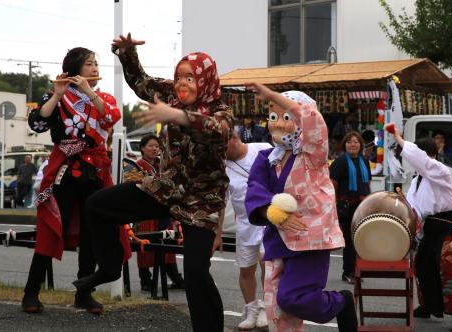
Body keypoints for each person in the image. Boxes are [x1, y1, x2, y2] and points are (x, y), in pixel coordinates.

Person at [72, 33, 233, 332]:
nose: (182, 84)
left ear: (206, 80)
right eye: (179, 77)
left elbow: (216, 130)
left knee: (197, 273)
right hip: (166, 187)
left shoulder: (222, 112)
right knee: (98, 205)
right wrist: (127, 53)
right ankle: (109, 267)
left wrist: (177, 114)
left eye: (190, 78)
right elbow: (141, 82)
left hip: (201, 202)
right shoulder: (171, 93)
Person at [22, 47, 129, 315]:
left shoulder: (103, 97)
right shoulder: (58, 96)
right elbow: (37, 124)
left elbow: (111, 117)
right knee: (52, 227)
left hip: (95, 171)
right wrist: (58, 93)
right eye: (89, 64)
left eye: (95, 64)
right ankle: (31, 292)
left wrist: (90, 93)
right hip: (65, 171)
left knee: (92, 233)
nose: (94, 68)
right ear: (75, 69)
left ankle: (84, 293)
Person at [244, 83, 357, 332]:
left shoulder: (312, 153)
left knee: (293, 297)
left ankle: (340, 302)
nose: (278, 124)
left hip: (310, 238)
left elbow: (313, 122)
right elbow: (254, 189)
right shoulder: (266, 158)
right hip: (277, 239)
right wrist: (271, 213)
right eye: (273, 117)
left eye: (287, 117)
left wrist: (274, 96)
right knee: (277, 310)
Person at [387, 123, 452, 332]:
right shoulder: (418, 179)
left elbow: (421, 160)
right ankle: (428, 306)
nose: (415, 160)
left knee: (448, 271)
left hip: (446, 227)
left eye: (420, 154)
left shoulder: (440, 170)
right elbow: (415, 208)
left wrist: (398, 137)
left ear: (431, 154)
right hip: (431, 228)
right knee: (423, 265)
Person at [213, 130, 271, 330]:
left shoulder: (263, 149)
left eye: (222, 146)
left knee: (267, 262)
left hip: (268, 218)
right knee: (246, 269)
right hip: (245, 223)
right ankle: (251, 309)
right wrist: (218, 234)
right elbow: (221, 202)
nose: (220, 152)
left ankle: (266, 307)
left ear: (234, 137)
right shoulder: (224, 169)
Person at [127, 134, 184, 291]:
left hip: (163, 210)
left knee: (167, 244)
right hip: (145, 211)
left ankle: (175, 277)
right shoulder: (136, 165)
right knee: (146, 245)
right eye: (151, 146)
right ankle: (145, 280)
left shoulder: (162, 165)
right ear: (143, 148)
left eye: (157, 146)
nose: (155, 149)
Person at [330, 131, 372, 284]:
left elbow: (367, 183)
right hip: (346, 206)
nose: (353, 144)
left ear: (361, 145)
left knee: (360, 239)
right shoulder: (340, 162)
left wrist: (370, 200)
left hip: (362, 205)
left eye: (356, 142)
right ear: (344, 145)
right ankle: (348, 272)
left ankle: (357, 270)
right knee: (349, 240)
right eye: (349, 142)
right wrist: (334, 203)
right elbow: (332, 183)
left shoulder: (364, 161)